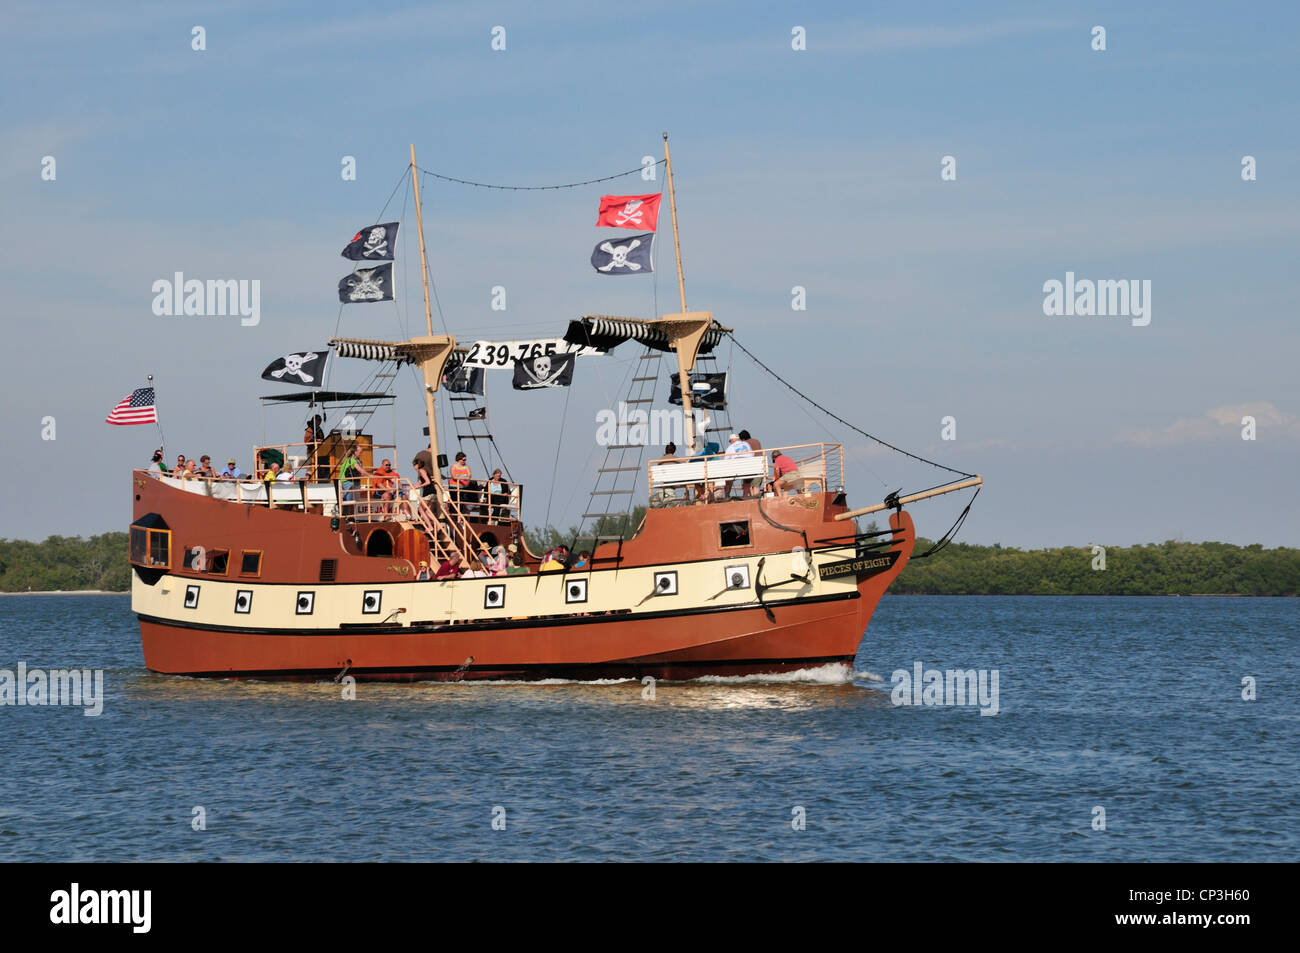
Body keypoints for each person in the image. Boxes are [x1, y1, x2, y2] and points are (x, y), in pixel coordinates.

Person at [739, 430, 763, 498]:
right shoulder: (756, 441)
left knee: (748, 485)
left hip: (749, 467)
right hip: (760, 465)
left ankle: (750, 499)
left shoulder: (744, 444)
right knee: (756, 485)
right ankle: (756, 499)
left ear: (742, 438)